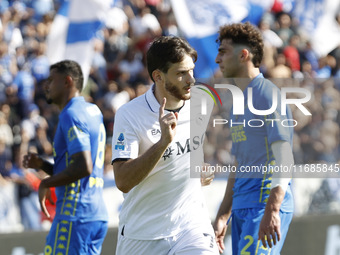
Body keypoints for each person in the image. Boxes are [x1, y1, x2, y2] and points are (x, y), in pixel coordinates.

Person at [111, 36, 218, 255]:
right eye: (181, 73)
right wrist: (162, 144)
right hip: (142, 234)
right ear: (158, 76)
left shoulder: (200, 102)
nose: (191, 80)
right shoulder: (129, 115)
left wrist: (200, 168)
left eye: (192, 70)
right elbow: (122, 180)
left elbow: (190, 151)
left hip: (191, 225)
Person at [213, 23, 294, 254]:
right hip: (242, 206)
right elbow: (238, 165)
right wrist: (223, 215)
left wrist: (273, 210)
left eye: (223, 52)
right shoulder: (238, 102)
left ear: (243, 55)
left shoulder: (268, 95)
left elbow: (285, 158)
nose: (218, 59)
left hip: (263, 206)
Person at [23, 60, 108, 255]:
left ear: (67, 81)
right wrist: (43, 164)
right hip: (95, 214)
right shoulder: (93, 111)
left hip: (75, 215)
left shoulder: (71, 114)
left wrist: (46, 183)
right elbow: (79, 171)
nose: (47, 86)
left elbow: (83, 166)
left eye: (52, 80)